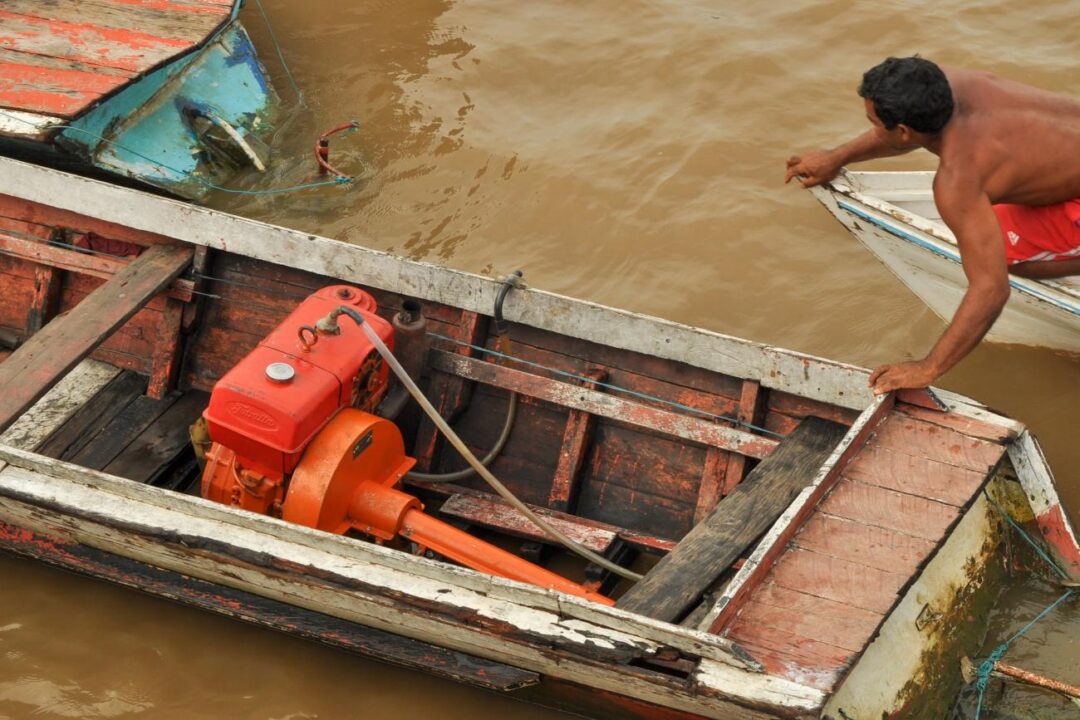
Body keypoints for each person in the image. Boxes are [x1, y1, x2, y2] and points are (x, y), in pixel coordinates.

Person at [785, 56, 1080, 393]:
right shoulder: (950, 82)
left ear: (903, 131)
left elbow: (992, 289)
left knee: (1005, 256)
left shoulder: (958, 181)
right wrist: (837, 157)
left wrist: (928, 367)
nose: (874, 129)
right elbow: (899, 134)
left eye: (874, 123)